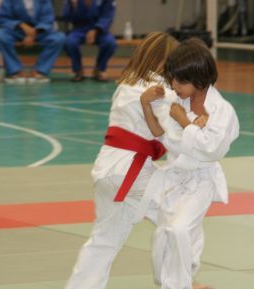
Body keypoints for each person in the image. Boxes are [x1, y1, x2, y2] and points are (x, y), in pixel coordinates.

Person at [64, 31, 178, 289]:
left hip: (107, 168)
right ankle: (179, 282)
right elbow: (173, 129)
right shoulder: (159, 90)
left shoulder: (126, 83)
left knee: (104, 240)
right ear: (164, 62)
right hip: (131, 170)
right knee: (179, 219)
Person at [140, 38, 240, 289]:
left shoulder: (221, 110)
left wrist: (185, 123)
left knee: (179, 230)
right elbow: (165, 137)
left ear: (201, 78)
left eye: (181, 81)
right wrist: (149, 106)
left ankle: (181, 285)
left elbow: (212, 150)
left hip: (201, 180)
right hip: (175, 177)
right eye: (173, 79)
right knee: (164, 236)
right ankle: (177, 283)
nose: (175, 85)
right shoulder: (177, 102)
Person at [0, 0, 65, 84]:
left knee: (59, 38)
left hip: (39, 31)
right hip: (17, 31)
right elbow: (3, 18)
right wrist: (22, 25)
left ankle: (40, 70)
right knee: (0, 35)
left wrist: (34, 32)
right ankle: (15, 70)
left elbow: (48, 19)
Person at [62, 0, 116, 82]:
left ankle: (99, 69)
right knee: (69, 42)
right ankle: (78, 70)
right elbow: (66, 17)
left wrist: (97, 29)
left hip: (99, 30)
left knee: (110, 42)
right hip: (78, 29)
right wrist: (74, 6)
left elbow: (108, 16)